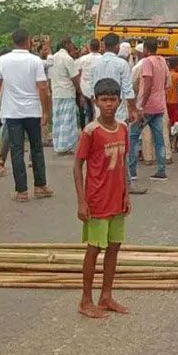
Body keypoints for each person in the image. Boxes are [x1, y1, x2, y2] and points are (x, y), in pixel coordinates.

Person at [74, 77, 131, 319]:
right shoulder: (91, 131)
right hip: (97, 199)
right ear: (96, 102)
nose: (109, 104)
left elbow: (124, 162)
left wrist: (126, 193)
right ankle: (85, 299)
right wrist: (81, 201)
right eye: (104, 100)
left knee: (114, 248)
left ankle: (106, 295)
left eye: (113, 100)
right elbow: (77, 166)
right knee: (94, 249)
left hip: (117, 198)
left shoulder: (123, 128)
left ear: (119, 101)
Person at [0, 29, 54, 202]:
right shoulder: (35, 61)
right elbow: (43, 88)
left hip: (12, 112)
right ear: (27, 41)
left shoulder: (3, 60)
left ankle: (22, 191)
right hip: (32, 110)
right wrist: (46, 111)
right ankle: (40, 186)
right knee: (36, 149)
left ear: (13, 41)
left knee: (16, 150)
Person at [128, 38, 170, 182]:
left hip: (147, 107)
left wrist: (140, 105)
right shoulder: (162, 61)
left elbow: (147, 84)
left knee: (133, 137)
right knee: (159, 139)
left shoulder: (147, 62)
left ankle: (131, 171)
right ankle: (161, 170)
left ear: (145, 49)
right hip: (159, 105)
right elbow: (166, 82)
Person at [90, 33, 138, 125]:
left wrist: (95, 111)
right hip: (118, 113)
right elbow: (128, 90)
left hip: (100, 112)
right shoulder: (122, 64)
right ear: (117, 46)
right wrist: (133, 110)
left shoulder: (95, 64)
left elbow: (92, 91)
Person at [49, 37, 81, 155]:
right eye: (71, 44)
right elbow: (75, 78)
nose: (73, 46)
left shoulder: (52, 58)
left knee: (57, 120)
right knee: (67, 120)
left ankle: (58, 145)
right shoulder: (68, 59)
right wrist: (80, 92)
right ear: (67, 45)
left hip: (56, 92)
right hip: (67, 92)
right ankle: (65, 146)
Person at [76, 38, 101, 128]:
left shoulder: (82, 59)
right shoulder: (102, 59)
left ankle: (87, 134)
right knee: (97, 113)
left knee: (87, 113)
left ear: (89, 47)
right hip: (98, 91)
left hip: (84, 90)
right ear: (99, 47)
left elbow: (77, 75)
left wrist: (80, 94)